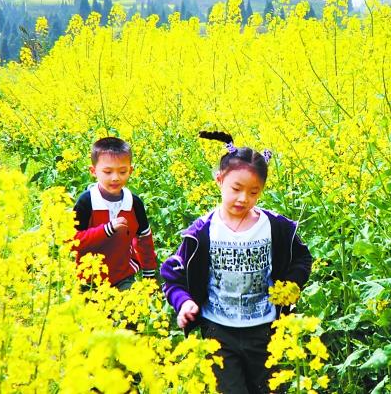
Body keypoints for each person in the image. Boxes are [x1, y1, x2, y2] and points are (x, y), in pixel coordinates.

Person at [161, 130, 312, 394]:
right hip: (219, 332)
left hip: (266, 329)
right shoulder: (202, 231)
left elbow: (302, 257)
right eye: (236, 189)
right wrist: (183, 302)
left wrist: (292, 285)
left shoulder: (275, 226)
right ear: (219, 180)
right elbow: (173, 271)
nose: (244, 198)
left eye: (254, 192)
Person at [73, 137, 157, 291]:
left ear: (130, 170)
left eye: (123, 171)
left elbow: (144, 239)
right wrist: (106, 230)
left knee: (130, 313)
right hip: (89, 281)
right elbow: (72, 242)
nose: (115, 178)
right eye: (107, 172)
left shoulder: (134, 203)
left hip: (122, 277)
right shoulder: (87, 201)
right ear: (93, 171)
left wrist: (149, 275)